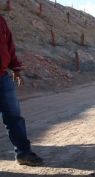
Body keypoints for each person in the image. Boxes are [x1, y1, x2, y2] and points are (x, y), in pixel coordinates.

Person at [0, 15, 43, 166]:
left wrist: (15, 69)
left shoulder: (1, 20)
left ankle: (23, 154)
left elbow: (9, 46)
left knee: (14, 117)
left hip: (2, 77)